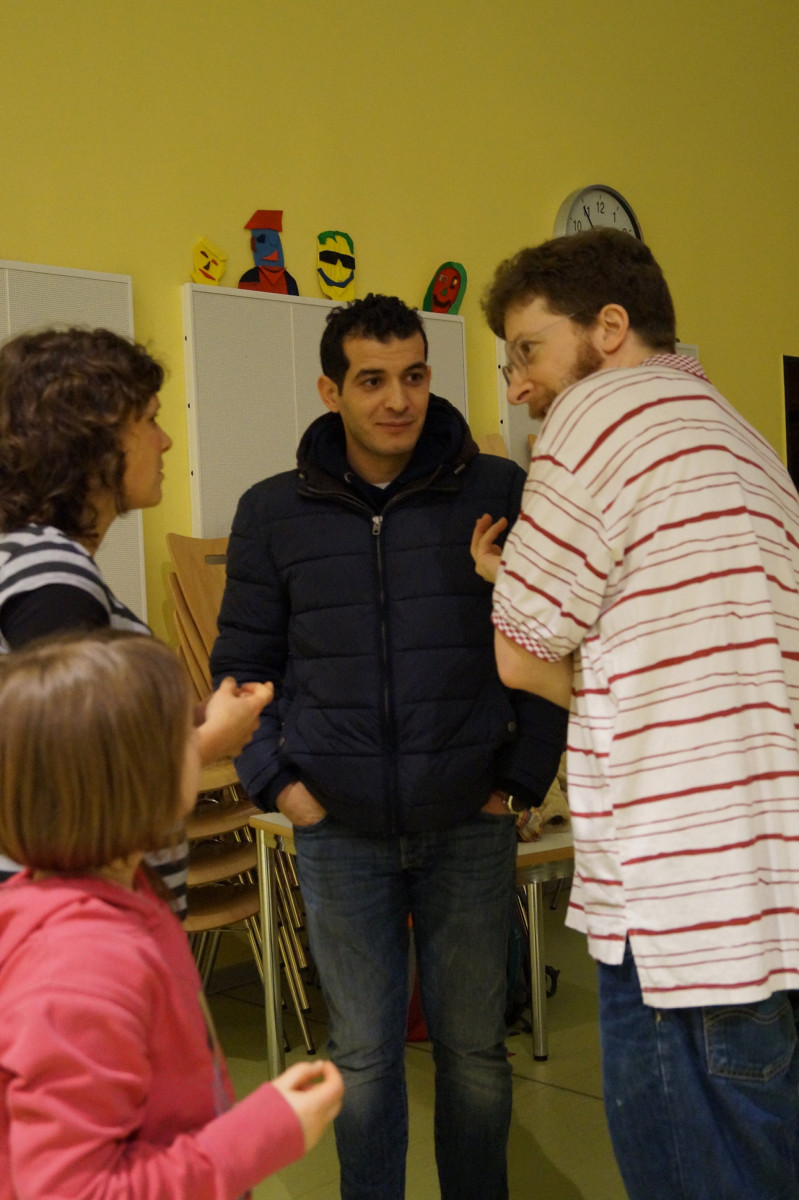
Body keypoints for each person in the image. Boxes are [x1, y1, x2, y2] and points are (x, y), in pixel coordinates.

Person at [210, 293, 567, 1200]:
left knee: (475, 1056)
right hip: (338, 830)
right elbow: (242, 669)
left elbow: (549, 640)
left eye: (412, 376)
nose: (397, 400)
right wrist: (281, 788)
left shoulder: (498, 492)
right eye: (371, 381)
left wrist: (519, 782)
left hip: (469, 821)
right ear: (331, 390)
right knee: (362, 1061)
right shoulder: (272, 512)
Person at [473, 227, 799, 1200]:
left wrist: (510, 593)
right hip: (761, 893)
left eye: (527, 350)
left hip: (673, 905)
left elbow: (521, 652)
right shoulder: (740, 438)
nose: (517, 386)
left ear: (608, 328)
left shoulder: (597, 413)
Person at [0, 631, 343, 1199]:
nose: (200, 743)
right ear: (127, 782)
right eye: (180, 736)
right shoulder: (80, 968)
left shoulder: (123, 888)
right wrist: (260, 1136)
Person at [0, 326, 272, 909]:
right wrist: (211, 740)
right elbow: (87, 781)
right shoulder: (50, 573)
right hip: (81, 922)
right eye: (148, 420)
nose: (166, 441)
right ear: (89, 443)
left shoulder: (32, 558)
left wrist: (179, 719)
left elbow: (78, 732)